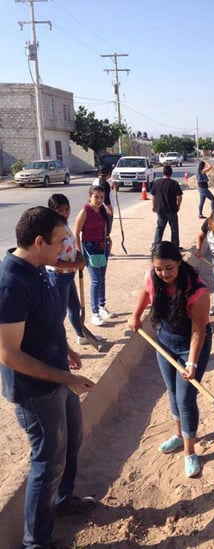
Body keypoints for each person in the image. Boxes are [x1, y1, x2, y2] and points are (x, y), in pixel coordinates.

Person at [0, 206, 95, 549]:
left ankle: (63, 500)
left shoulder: (37, 268)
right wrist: (63, 377)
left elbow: (44, 321)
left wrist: (65, 347)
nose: (64, 250)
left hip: (57, 376)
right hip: (35, 391)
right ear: (39, 242)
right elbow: (8, 353)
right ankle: (36, 542)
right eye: (59, 243)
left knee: (71, 440)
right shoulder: (10, 283)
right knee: (47, 460)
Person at [127, 242, 212, 477]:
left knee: (185, 398)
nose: (164, 274)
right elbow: (146, 291)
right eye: (158, 269)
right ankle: (178, 435)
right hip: (164, 342)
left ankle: (190, 451)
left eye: (169, 268)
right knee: (172, 392)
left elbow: (198, 332)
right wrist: (135, 315)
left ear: (179, 263)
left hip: (190, 346)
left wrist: (192, 364)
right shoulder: (153, 278)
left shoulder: (197, 292)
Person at [46, 194, 91, 346]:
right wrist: (75, 265)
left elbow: (70, 248)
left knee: (75, 307)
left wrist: (79, 256)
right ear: (52, 210)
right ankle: (58, 345)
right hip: (58, 276)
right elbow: (53, 260)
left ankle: (81, 335)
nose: (65, 213)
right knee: (59, 314)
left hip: (68, 276)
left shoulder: (63, 225)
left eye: (67, 209)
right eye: (60, 210)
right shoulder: (51, 231)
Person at [74, 185, 113, 327]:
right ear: (90, 196)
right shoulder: (85, 211)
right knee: (96, 280)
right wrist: (79, 252)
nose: (99, 200)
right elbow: (77, 233)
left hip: (102, 247)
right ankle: (94, 312)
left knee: (102, 278)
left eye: (101, 197)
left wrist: (108, 241)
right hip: (89, 248)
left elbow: (105, 228)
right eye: (96, 197)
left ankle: (102, 306)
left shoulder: (102, 210)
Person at [151, 164, 183, 249]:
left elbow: (153, 196)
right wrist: (178, 206)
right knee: (174, 229)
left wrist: (154, 206)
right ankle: (175, 246)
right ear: (171, 173)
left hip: (160, 209)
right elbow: (179, 196)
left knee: (160, 227)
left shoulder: (157, 182)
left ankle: (156, 244)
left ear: (163, 172)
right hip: (171, 209)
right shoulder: (174, 183)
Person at [92, 165, 114, 234]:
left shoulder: (96, 181)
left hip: (97, 209)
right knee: (105, 231)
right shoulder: (104, 184)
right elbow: (106, 198)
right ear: (108, 173)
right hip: (104, 210)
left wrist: (112, 187)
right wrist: (110, 210)